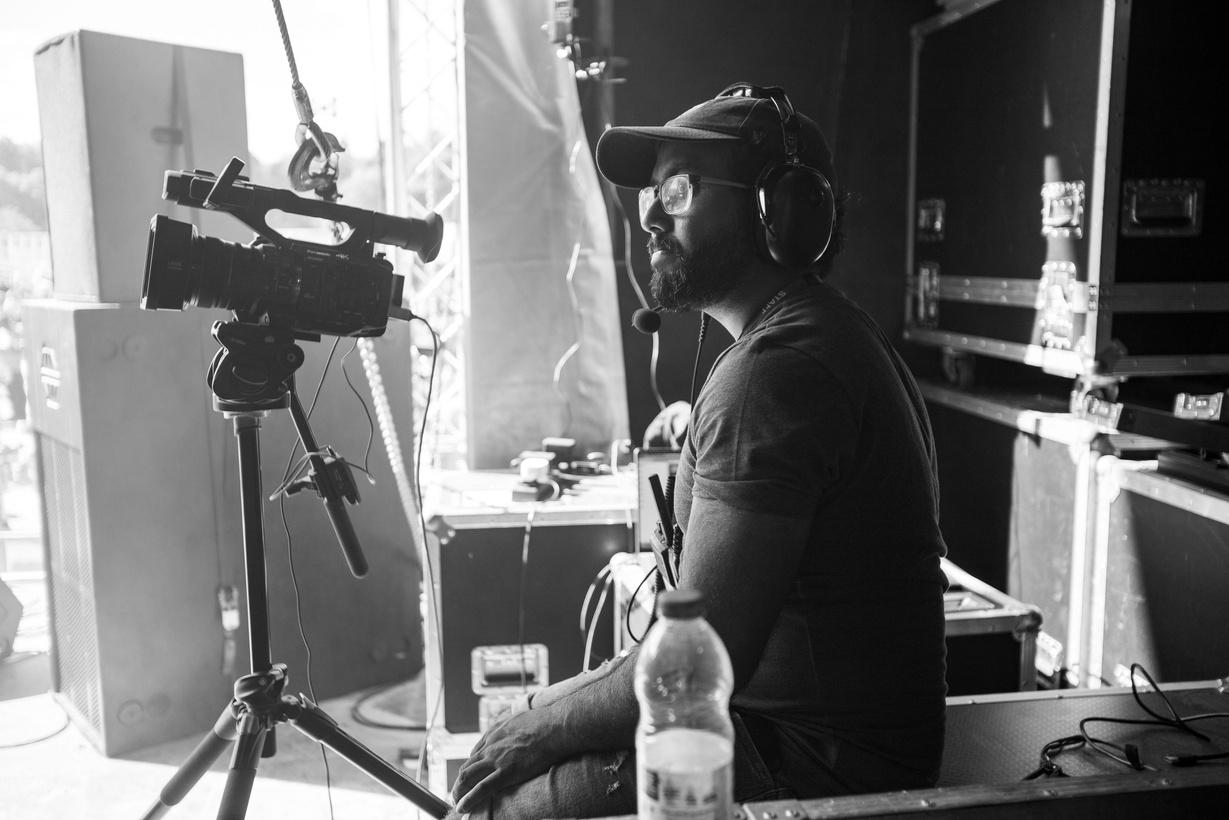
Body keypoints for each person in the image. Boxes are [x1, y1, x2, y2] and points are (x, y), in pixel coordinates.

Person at [448, 83, 949, 819]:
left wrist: (536, 724)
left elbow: (693, 669)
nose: (651, 216)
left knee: (496, 806)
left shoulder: (775, 371)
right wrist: (539, 711)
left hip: (813, 768)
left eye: (678, 190)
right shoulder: (820, 334)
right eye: (650, 194)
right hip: (816, 746)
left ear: (778, 210)